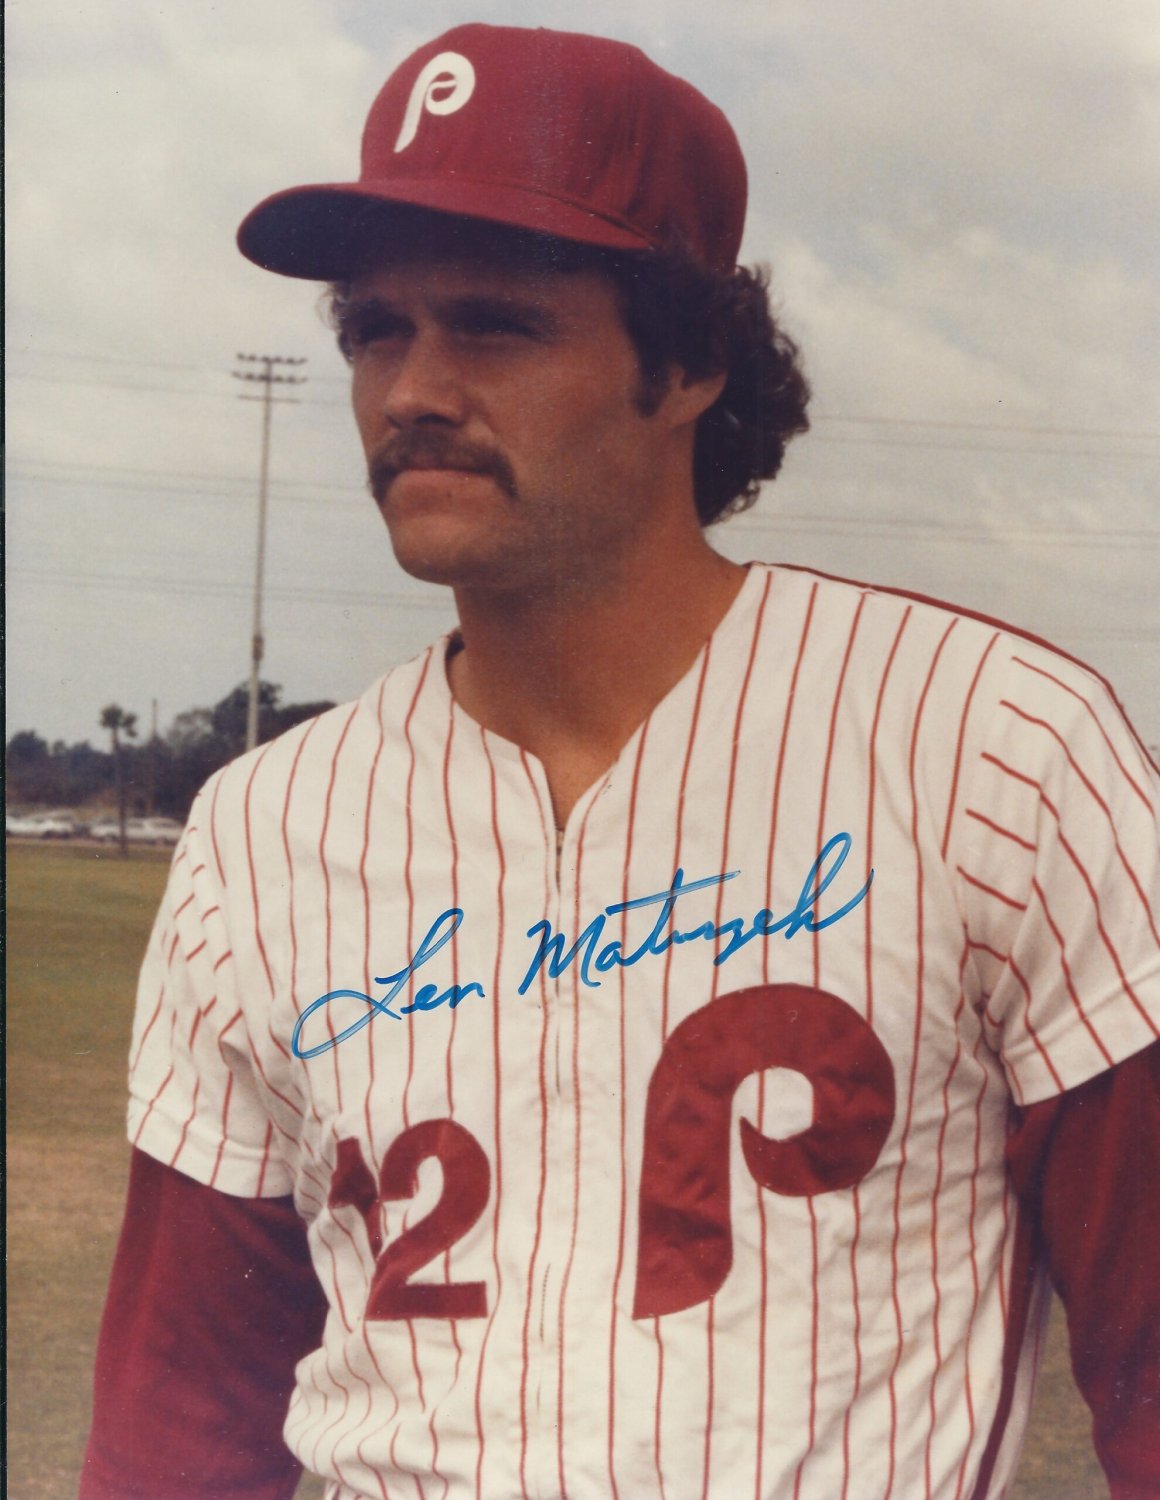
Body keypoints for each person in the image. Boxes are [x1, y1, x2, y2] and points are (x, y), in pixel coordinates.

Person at [81, 22, 1159, 1500]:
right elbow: (180, 1409)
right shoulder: (259, 830)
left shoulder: (995, 748)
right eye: (376, 328)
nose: (411, 388)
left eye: (495, 324)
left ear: (694, 362)